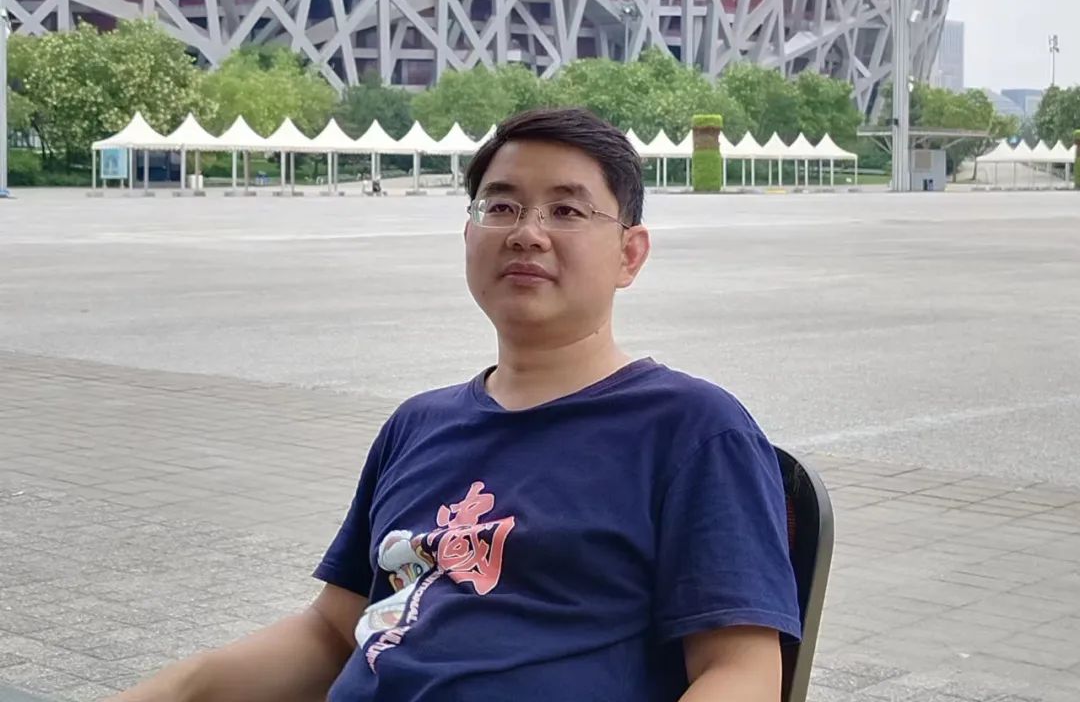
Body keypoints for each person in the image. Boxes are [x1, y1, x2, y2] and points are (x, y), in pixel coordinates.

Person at [107, 107, 800, 702]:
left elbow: (740, 672)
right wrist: (180, 686)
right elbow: (331, 630)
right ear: (469, 235)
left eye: (566, 210)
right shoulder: (418, 424)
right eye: (501, 207)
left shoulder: (693, 429)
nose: (527, 232)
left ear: (630, 254)